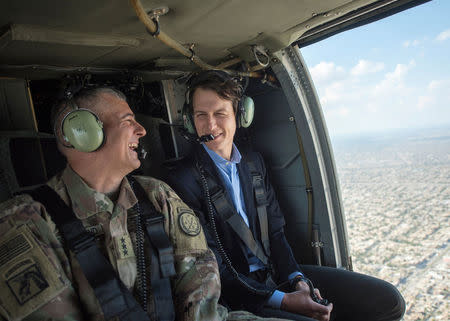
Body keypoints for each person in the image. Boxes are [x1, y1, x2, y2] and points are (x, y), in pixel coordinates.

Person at [0, 87, 289, 321]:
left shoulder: (157, 196)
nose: (141, 130)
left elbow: (205, 308)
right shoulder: (25, 222)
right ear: (84, 133)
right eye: (128, 121)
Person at [166, 71, 406, 321]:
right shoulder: (183, 181)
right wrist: (284, 301)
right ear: (190, 120)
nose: (210, 125)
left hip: (278, 275)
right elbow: (214, 267)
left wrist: (297, 280)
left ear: (240, 115)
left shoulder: (253, 163)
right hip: (240, 294)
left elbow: (276, 233)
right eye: (201, 115)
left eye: (219, 114)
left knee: (389, 302)